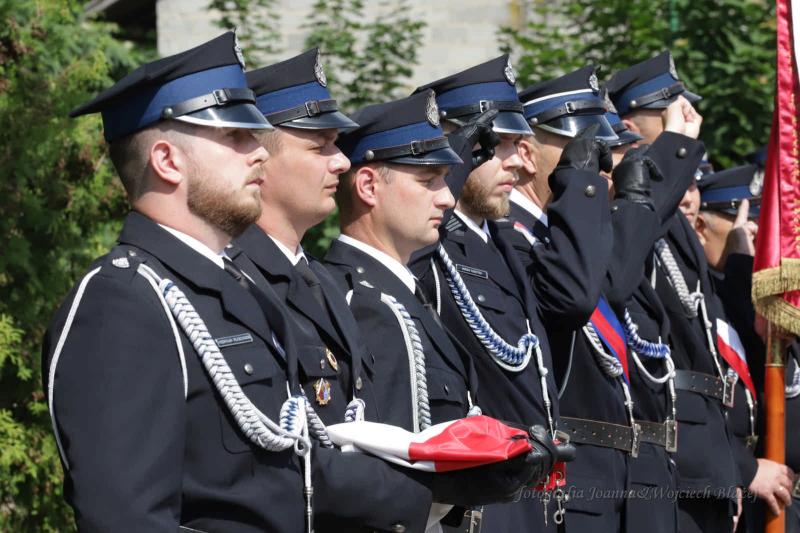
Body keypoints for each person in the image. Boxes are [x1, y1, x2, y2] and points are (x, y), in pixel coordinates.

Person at [235, 49, 561, 532]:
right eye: (320, 145)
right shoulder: (353, 296)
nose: (339, 161)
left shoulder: (325, 286)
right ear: (368, 186)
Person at [407, 54, 605, 532]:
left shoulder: (505, 242)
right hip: (484, 510)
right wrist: (449, 166)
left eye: (520, 144)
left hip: (537, 502)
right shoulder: (436, 244)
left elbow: (573, 296)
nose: (518, 160)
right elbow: (407, 256)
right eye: (499, 146)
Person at [608, 50, 740, 533]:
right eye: (667, 111)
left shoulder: (671, 207)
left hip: (703, 444)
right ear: (628, 124)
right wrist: (675, 150)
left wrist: (728, 465)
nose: (685, 118)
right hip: (668, 443)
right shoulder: (622, 201)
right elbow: (624, 262)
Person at [695, 165, 795, 532]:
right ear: (701, 227)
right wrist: (742, 265)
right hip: (743, 491)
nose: (753, 230)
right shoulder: (704, 300)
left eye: (758, 220)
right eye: (741, 221)